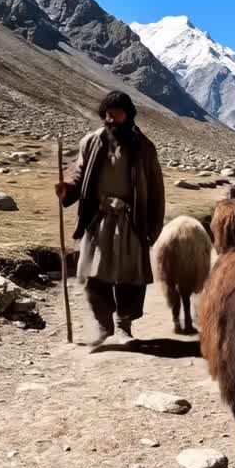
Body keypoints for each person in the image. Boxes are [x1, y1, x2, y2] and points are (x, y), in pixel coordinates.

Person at [56, 91, 165, 346]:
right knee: (94, 274)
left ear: (128, 114)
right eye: (106, 113)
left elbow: (156, 190)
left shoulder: (144, 148)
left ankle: (124, 324)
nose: (110, 118)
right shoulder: (91, 142)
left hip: (131, 219)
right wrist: (68, 190)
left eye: (115, 112)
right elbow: (80, 178)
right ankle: (104, 324)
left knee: (130, 276)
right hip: (99, 218)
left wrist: (153, 226)